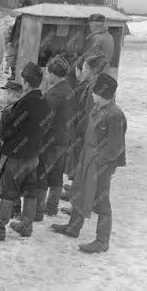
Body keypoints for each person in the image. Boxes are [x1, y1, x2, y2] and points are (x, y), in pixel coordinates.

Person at [52, 73, 127, 254]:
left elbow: (116, 147)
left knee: (101, 201)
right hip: (87, 156)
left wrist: (99, 161)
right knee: (79, 190)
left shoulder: (116, 115)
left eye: (95, 93)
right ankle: (73, 227)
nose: (92, 96)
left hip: (100, 164)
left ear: (103, 94)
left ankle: (102, 240)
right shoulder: (97, 108)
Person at [0, 62, 50, 241]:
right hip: (34, 155)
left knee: (8, 191)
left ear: (25, 82)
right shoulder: (44, 101)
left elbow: (9, 128)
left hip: (16, 156)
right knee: (30, 190)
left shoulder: (24, 103)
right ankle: (26, 225)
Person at [35, 55, 76, 220]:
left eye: (47, 72)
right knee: (57, 174)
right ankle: (52, 207)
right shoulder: (69, 90)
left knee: (42, 174)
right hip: (65, 139)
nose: (46, 76)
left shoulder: (53, 94)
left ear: (53, 73)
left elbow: (46, 121)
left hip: (51, 141)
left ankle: (38, 211)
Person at [65, 52, 109, 188]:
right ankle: (74, 189)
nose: (82, 71)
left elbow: (90, 114)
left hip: (85, 132)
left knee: (81, 161)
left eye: (84, 68)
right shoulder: (95, 83)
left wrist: (77, 129)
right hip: (87, 131)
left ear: (91, 71)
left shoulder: (92, 88)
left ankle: (77, 195)